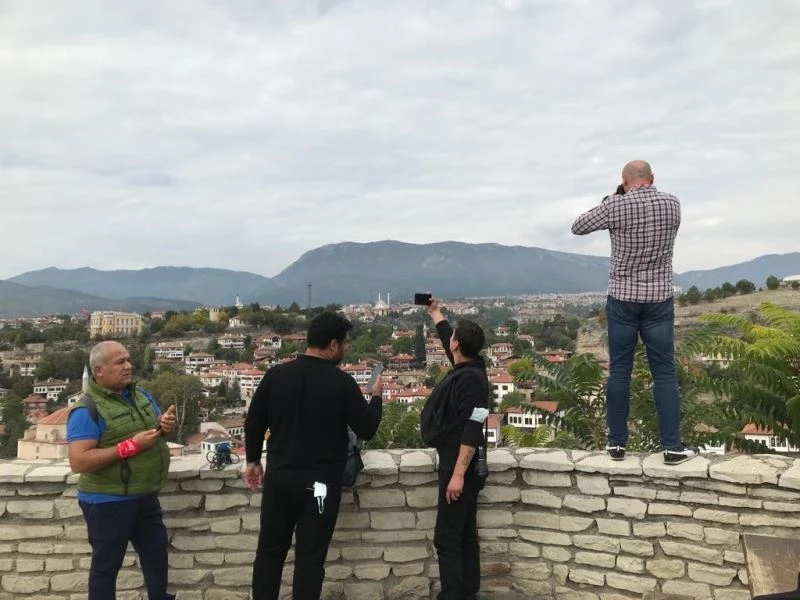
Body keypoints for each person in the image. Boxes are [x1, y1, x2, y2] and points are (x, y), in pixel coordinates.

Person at [244, 311, 383, 600]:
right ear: (332, 344)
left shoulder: (276, 375)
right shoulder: (341, 383)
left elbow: (254, 422)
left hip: (280, 480)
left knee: (269, 553)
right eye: (345, 343)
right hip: (320, 486)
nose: (346, 348)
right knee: (310, 560)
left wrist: (253, 461)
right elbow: (367, 428)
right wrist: (377, 397)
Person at [571, 159, 699, 465]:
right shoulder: (672, 204)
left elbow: (578, 227)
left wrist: (612, 199)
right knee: (664, 372)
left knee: (619, 370)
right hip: (659, 299)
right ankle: (672, 447)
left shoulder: (616, 205)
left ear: (624, 180)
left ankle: (616, 444)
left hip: (622, 299)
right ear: (652, 178)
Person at [67, 341, 177, 600]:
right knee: (106, 568)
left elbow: (153, 431)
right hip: (108, 501)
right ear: (98, 371)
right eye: (119, 362)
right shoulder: (86, 410)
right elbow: (79, 461)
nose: (128, 366)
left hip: (145, 495)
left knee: (156, 555)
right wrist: (130, 447)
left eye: (128, 360)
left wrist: (164, 425)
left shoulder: (141, 396)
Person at [424, 298, 489, 600]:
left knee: (447, 537)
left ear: (457, 346)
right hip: (459, 466)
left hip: (459, 467)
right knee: (464, 533)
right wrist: (435, 312)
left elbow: (472, 429)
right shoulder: (470, 368)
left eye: (452, 338)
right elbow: (447, 336)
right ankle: (467, 592)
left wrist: (458, 475)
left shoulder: (470, 382)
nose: (449, 340)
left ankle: (452, 594)